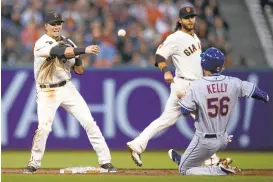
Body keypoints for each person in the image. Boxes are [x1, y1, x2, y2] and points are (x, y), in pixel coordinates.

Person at [23, 11, 117, 174]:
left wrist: (78, 55)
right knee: (44, 128)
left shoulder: (68, 44)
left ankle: (105, 161)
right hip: (47, 91)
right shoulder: (42, 42)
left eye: (59, 23)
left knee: (89, 122)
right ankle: (34, 163)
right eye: (53, 23)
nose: (57, 26)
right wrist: (82, 49)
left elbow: (79, 70)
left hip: (67, 88)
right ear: (46, 26)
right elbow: (58, 52)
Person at [168, 47, 269, 175]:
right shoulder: (233, 82)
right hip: (223, 138)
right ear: (221, 67)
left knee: (184, 170)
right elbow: (253, 90)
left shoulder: (196, 86)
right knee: (191, 161)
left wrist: (186, 99)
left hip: (204, 140)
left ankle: (218, 169)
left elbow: (184, 111)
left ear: (203, 64)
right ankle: (186, 160)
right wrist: (265, 96)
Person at [127, 6, 205, 166]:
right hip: (185, 84)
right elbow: (159, 55)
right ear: (180, 20)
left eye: (192, 17)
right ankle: (212, 159)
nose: (190, 20)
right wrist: (166, 71)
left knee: (166, 119)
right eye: (187, 17)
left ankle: (137, 144)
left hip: (193, 84)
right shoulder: (175, 37)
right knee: (204, 121)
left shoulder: (195, 37)